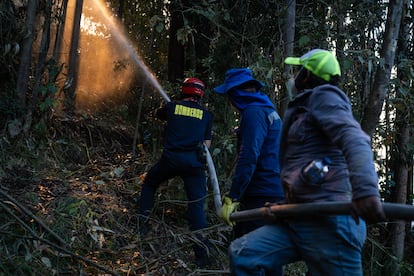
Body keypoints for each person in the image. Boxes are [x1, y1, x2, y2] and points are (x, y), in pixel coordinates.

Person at [228, 49, 386, 275]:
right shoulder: (305, 107)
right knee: (243, 254)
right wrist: (283, 206)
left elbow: (355, 138)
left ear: (308, 76)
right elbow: (307, 168)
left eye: (299, 70)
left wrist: (366, 191)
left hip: (330, 223)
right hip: (299, 218)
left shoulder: (326, 97)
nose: (294, 76)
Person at [138, 77, 213, 268]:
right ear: (200, 94)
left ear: (184, 90)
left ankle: (142, 227)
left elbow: (159, 114)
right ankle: (202, 256)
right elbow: (207, 145)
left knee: (150, 183)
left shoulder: (172, 107)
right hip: (195, 166)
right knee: (197, 207)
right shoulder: (206, 115)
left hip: (170, 160)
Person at [214, 68, 285, 238]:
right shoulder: (266, 109)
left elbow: (249, 156)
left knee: (246, 252)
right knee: (265, 255)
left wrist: (234, 196)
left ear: (235, 94)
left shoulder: (253, 113)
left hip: (261, 194)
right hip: (274, 191)